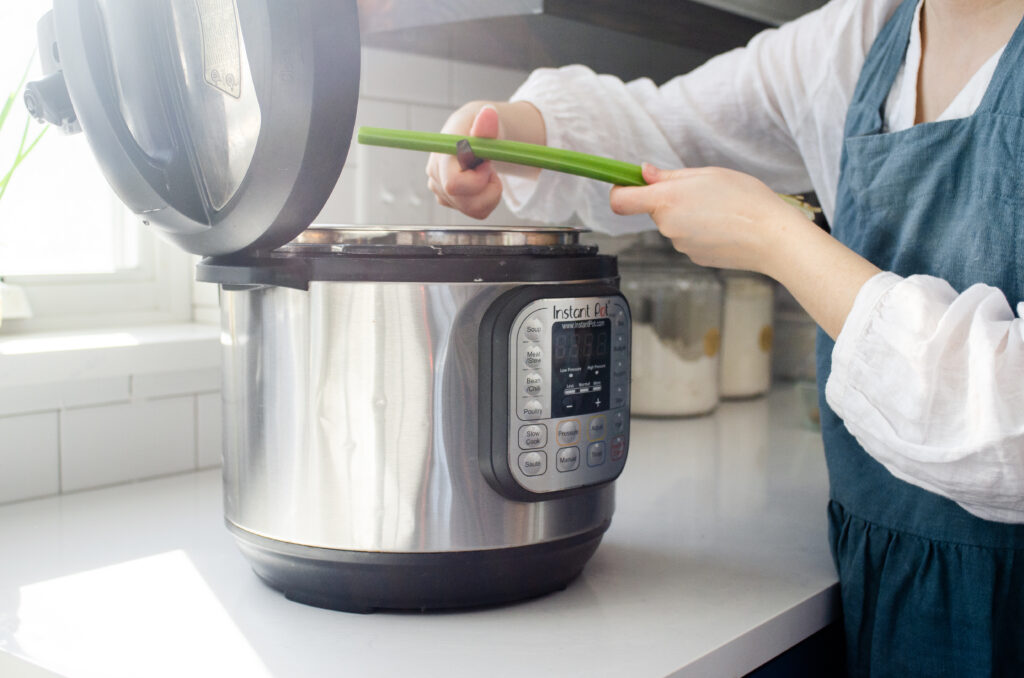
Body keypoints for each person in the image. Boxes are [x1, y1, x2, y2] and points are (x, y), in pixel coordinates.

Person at [426, 0, 1024, 674]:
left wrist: (777, 239)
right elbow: (665, 130)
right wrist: (513, 133)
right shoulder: (862, 35)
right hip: (889, 576)